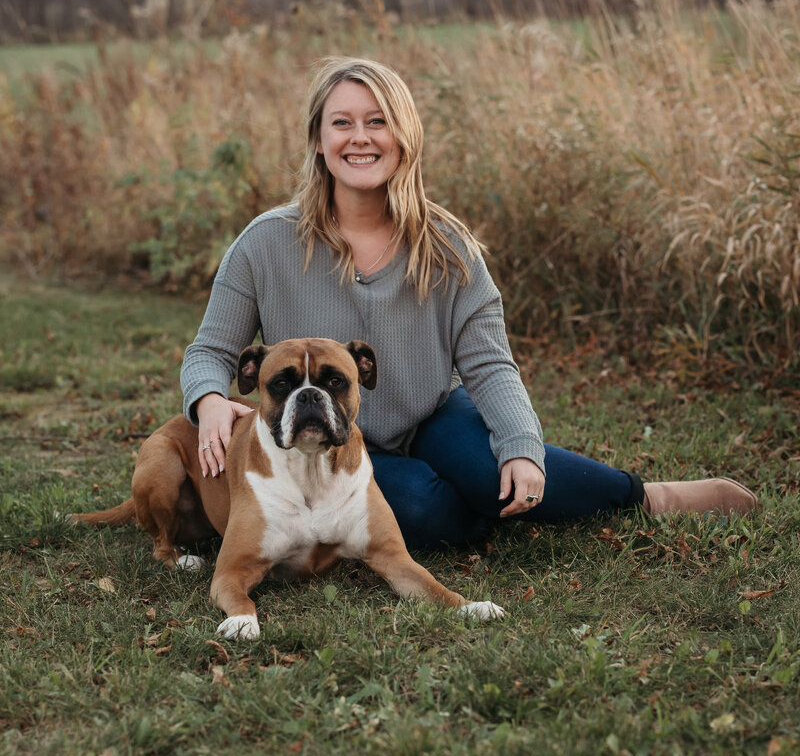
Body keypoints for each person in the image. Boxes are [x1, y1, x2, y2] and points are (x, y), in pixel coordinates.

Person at [180, 56, 756, 551]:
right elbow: (210, 349)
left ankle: (646, 496)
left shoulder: (446, 246)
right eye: (342, 123)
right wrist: (208, 400)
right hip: (330, 450)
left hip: (431, 417)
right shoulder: (264, 242)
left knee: (495, 469)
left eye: (377, 122)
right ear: (319, 139)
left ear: (403, 136)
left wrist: (524, 449)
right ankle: (488, 508)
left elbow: (489, 364)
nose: (360, 138)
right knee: (424, 509)